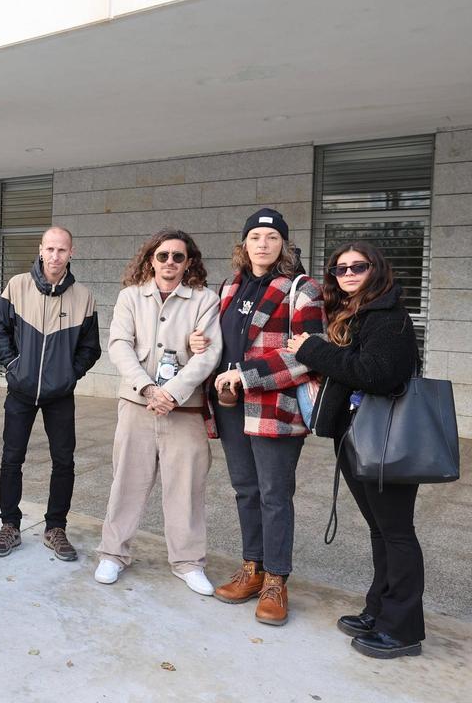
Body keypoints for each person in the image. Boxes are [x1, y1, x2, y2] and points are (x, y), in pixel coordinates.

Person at [287, 242, 424, 658]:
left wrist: (311, 349)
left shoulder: (389, 317)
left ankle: (402, 630)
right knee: (380, 529)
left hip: (388, 440)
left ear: (376, 270)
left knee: (397, 532)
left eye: (357, 267)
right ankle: (379, 610)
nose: (346, 274)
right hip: (359, 435)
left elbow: (376, 374)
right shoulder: (357, 314)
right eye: (339, 269)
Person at [191, 208, 324, 626]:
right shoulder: (230, 286)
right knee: (245, 490)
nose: (262, 244)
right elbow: (219, 338)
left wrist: (246, 375)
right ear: (243, 244)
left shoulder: (301, 288)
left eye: (271, 237)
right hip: (230, 407)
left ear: (283, 244)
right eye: (255, 237)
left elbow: (307, 353)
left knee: (274, 494)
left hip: (274, 409)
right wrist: (197, 340)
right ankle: (253, 568)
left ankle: (276, 581)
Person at [95, 230, 221, 595]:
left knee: (187, 486)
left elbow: (209, 354)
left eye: (178, 257)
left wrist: (173, 393)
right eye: (163, 256)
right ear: (151, 259)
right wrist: (149, 388)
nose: (170, 263)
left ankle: (188, 562)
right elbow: (119, 345)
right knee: (127, 481)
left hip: (184, 409)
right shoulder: (130, 297)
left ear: (189, 262)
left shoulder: (204, 300)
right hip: (137, 403)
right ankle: (113, 554)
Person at [0, 226, 101, 560]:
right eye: (50, 249)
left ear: (71, 253)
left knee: (63, 461)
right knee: (11, 458)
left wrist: (69, 373)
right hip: (20, 391)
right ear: (40, 250)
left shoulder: (84, 297)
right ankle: (10, 525)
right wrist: (12, 364)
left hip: (60, 395)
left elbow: (90, 348)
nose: (55, 256)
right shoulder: (17, 286)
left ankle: (55, 528)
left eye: (62, 250)